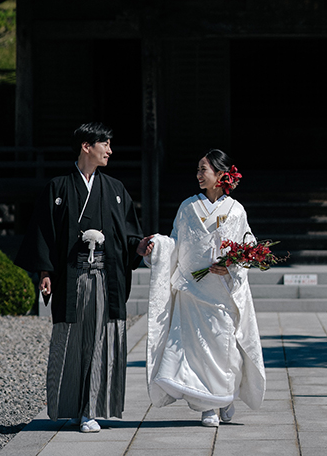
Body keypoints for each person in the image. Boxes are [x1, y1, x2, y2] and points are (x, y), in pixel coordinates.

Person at [15, 122, 143, 433]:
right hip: (71, 277)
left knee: (100, 340)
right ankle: (71, 407)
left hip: (103, 276)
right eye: (105, 144)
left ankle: (91, 411)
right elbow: (45, 233)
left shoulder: (115, 190)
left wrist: (140, 245)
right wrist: (45, 271)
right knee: (70, 340)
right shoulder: (58, 188)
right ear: (87, 146)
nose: (110, 151)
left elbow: (127, 234)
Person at [139, 149, 266, 427]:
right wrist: (158, 246)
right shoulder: (187, 207)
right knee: (196, 352)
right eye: (197, 170)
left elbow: (248, 245)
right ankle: (208, 406)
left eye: (203, 170)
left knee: (226, 351)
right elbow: (175, 242)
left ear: (221, 175)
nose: (198, 175)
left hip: (221, 290)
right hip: (192, 291)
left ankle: (226, 396)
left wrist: (233, 265)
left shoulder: (236, 210)